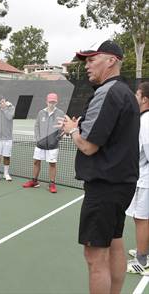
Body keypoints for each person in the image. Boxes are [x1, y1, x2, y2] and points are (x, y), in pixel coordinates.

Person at [61, 40, 140, 293]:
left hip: (104, 187)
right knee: (114, 243)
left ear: (111, 61)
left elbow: (88, 146)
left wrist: (73, 130)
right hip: (122, 185)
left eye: (92, 59)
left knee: (95, 258)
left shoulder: (107, 92)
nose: (87, 65)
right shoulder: (126, 92)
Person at [125, 81, 149, 275]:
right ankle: (145, 252)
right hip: (142, 178)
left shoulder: (146, 121)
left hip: (145, 180)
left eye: (137, 94)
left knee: (141, 218)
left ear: (144, 100)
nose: (135, 97)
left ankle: (141, 261)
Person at [23, 93, 65, 193]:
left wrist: (57, 138)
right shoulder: (41, 113)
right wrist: (38, 138)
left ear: (56, 102)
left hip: (53, 145)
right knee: (36, 162)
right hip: (40, 144)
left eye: (53, 101)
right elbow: (36, 126)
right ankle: (34, 181)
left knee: (52, 164)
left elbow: (62, 128)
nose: (52, 103)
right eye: (50, 101)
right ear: (47, 101)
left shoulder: (60, 113)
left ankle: (52, 184)